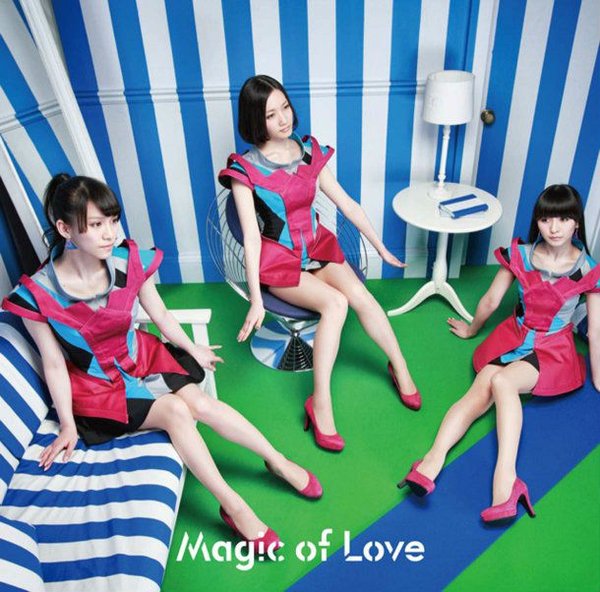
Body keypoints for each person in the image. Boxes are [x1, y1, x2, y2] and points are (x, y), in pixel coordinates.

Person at [2, 173, 323, 552]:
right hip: (99, 389)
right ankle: (234, 507)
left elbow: (162, 316)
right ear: (65, 228)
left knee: (201, 403)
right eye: (97, 225)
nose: (110, 234)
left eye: (113, 221)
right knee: (175, 410)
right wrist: (68, 425)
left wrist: (192, 348)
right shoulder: (37, 293)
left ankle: (276, 460)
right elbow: (54, 364)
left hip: (141, 357)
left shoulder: (128, 260)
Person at [219, 75, 420, 453]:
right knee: (336, 303)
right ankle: (320, 404)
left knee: (360, 295)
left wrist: (380, 247)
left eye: (285, 107)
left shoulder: (308, 150)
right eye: (271, 114)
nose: (283, 119)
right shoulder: (244, 169)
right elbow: (250, 238)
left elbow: (347, 203)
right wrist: (256, 300)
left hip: (317, 247)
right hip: (280, 262)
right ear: (255, 120)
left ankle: (399, 367)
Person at [397, 184, 600, 523]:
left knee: (503, 383)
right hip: (514, 337)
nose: (554, 227)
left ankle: (506, 482)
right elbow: (491, 300)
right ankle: (430, 462)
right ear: (537, 221)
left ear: (576, 222)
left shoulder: (588, 269)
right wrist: (472, 329)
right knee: (478, 392)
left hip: (552, 350)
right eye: (546, 219)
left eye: (564, 219)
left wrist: (599, 377)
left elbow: (595, 329)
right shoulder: (520, 254)